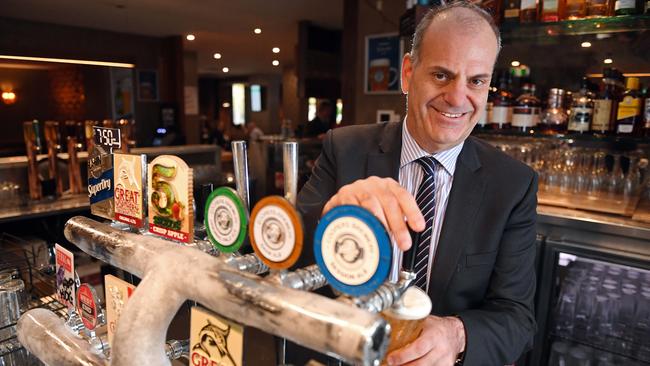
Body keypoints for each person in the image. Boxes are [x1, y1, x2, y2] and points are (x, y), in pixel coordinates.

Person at [296, 2, 537, 366]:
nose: (458, 98)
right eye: (441, 75)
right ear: (408, 73)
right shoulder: (344, 148)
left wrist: (457, 335)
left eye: (476, 81)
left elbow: (517, 318)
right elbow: (285, 258)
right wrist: (333, 215)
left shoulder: (512, 185)